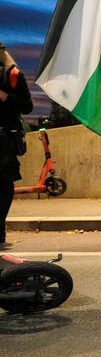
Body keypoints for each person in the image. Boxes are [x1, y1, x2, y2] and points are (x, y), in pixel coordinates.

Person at [0, 42, 32, 248]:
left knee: (4, 184)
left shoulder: (13, 75)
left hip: (5, 141)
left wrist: (6, 97)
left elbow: (27, 106)